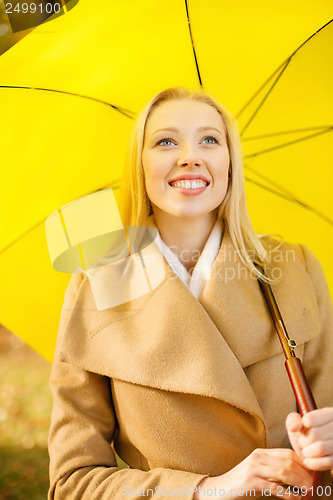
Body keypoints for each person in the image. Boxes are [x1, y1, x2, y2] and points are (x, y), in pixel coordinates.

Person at [48, 87, 333, 499]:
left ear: (230, 165)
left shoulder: (293, 267)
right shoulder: (96, 282)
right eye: (166, 141)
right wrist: (205, 490)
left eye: (210, 140)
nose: (189, 156)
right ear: (139, 166)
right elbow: (72, 483)